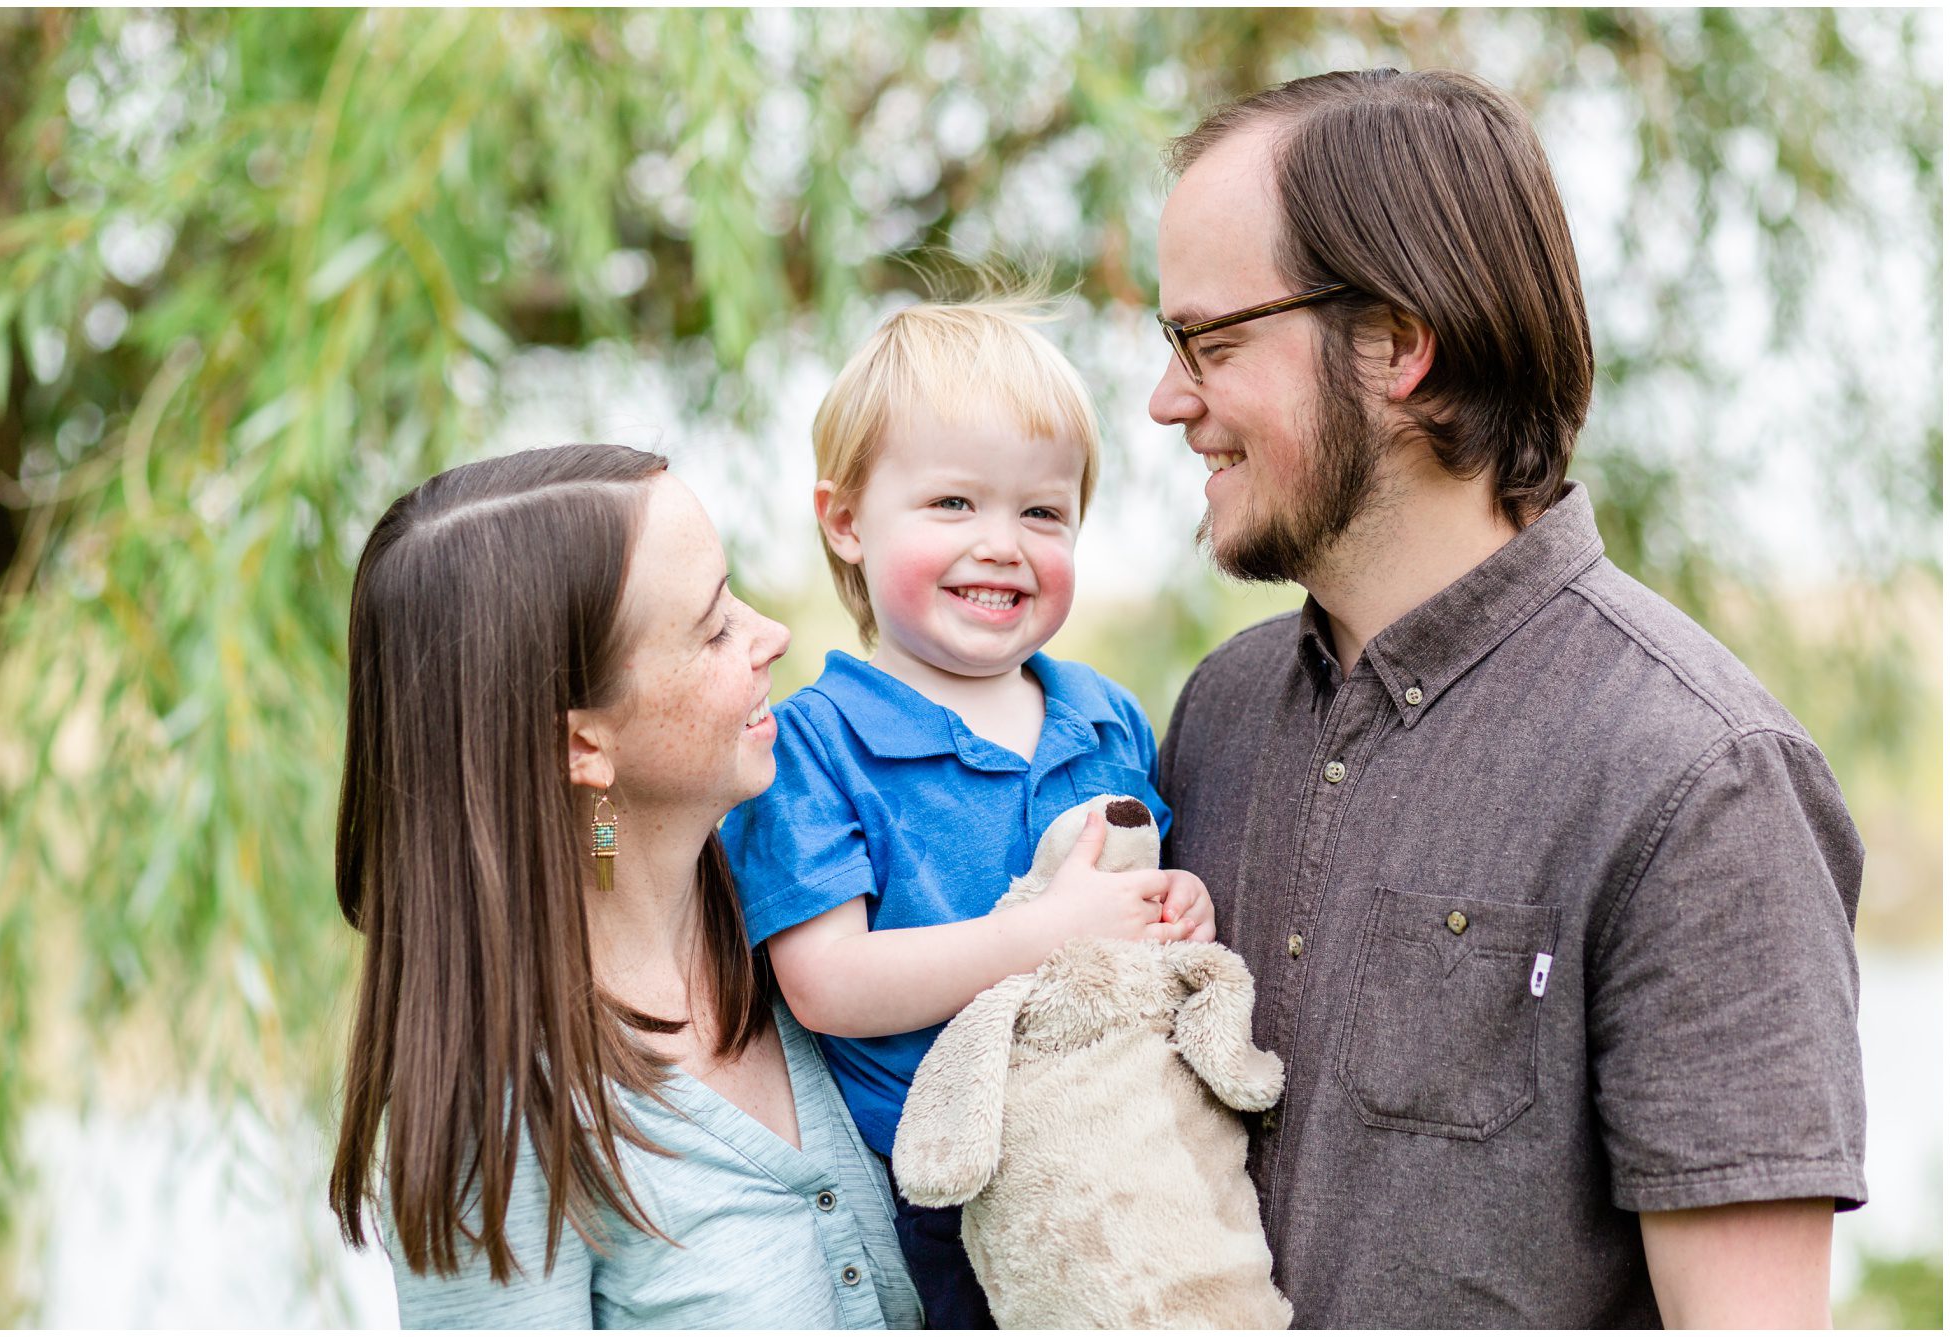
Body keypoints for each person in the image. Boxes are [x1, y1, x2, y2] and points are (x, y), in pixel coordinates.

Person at [1147, 68, 1868, 1328]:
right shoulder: (1216, 713)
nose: (1168, 400)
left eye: (1211, 343)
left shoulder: (1700, 776)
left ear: (1397, 345)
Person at [326, 444, 921, 1329]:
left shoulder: (818, 919)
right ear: (585, 746)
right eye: (715, 627)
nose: (772, 637)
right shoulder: (503, 1122)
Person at [719, 299, 1217, 1328]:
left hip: (1126, 1162)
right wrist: (1039, 934)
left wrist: (1177, 904)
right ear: (847, 521)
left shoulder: (1102, 716)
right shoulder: (813, 746)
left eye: (1041, 513)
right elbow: (826, 983)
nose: (1001, 545)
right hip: (942, 1209)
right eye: (952, 503)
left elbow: (1127, 907)